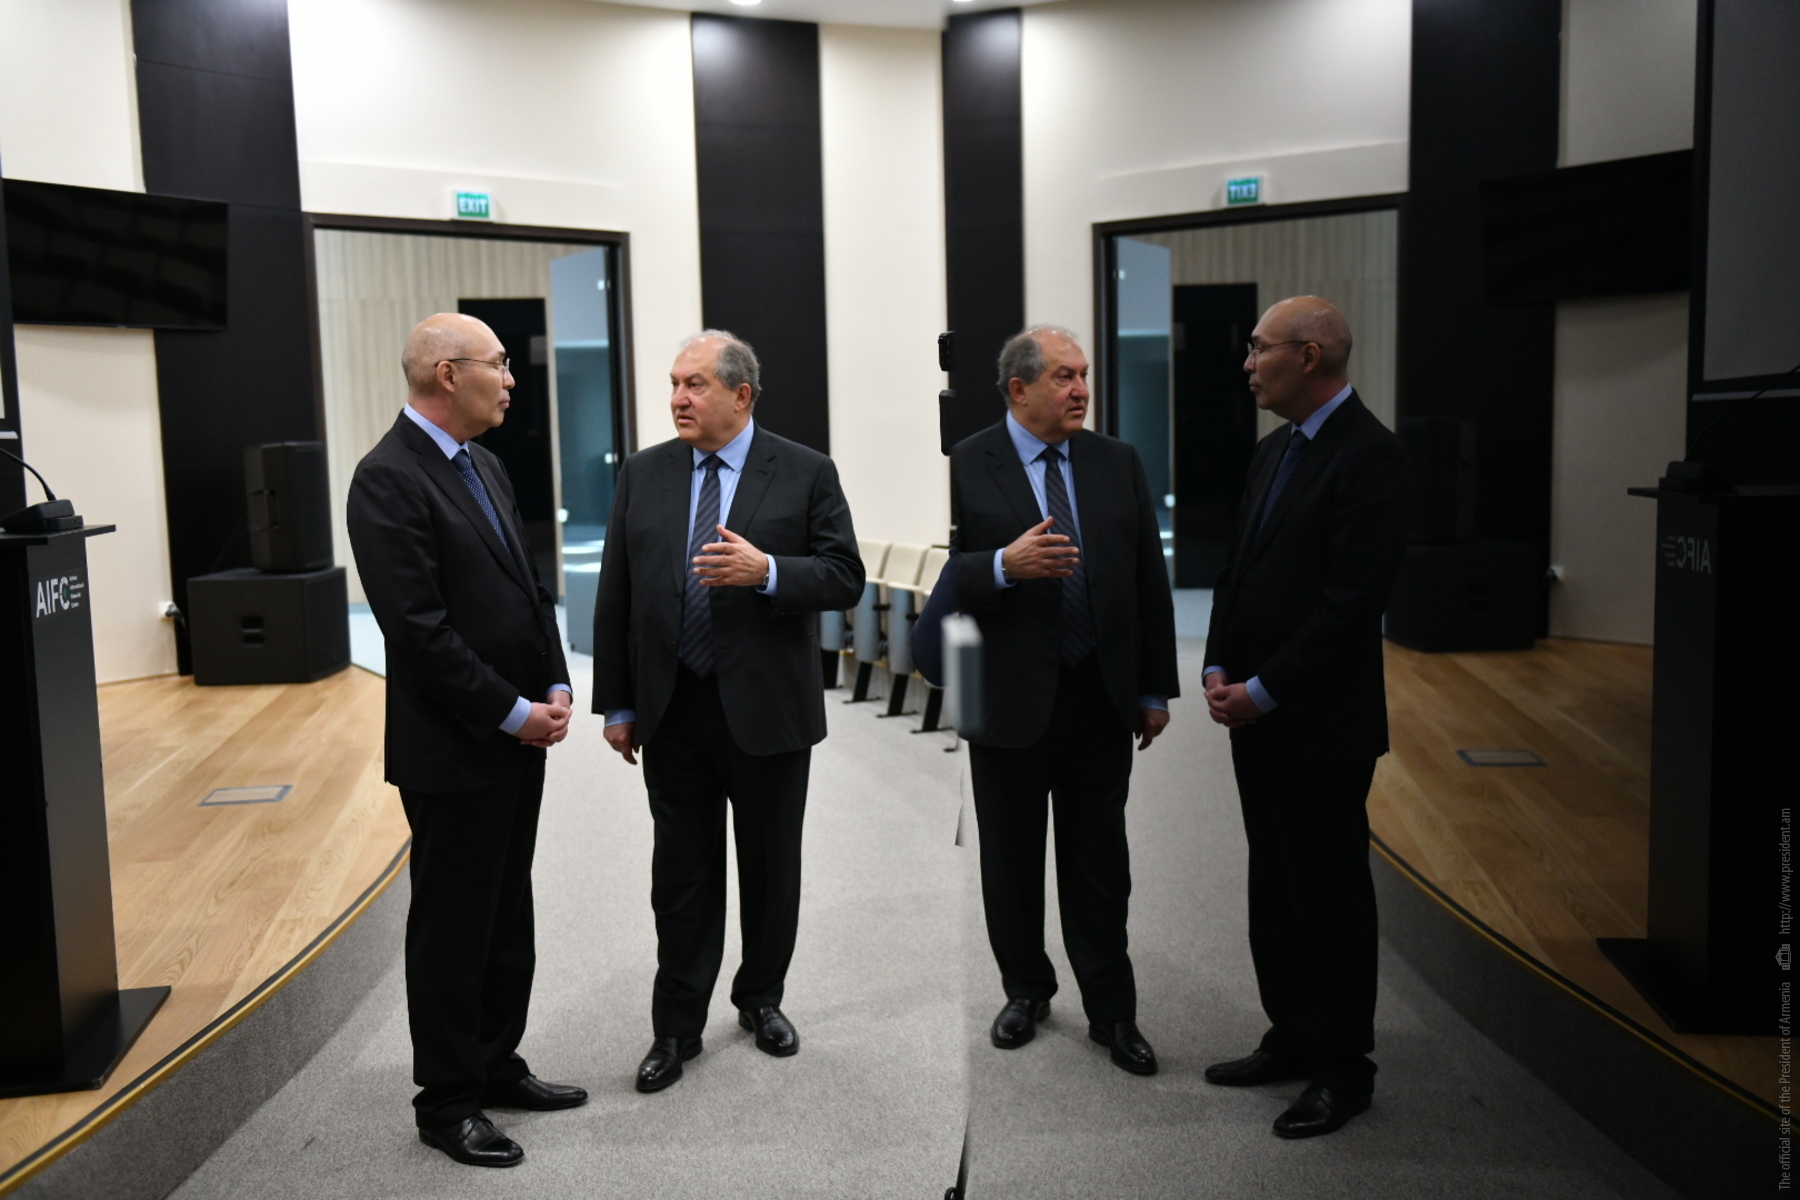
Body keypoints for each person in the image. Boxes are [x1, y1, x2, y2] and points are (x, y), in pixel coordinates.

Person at [592, 330, 863, 1093]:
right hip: (672, 707)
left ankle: (761, 999)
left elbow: (844, 575)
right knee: (680, 875)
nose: (678, 398)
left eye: (696, 385)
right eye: (674, 384)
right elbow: (618, 592)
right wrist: (618, 702)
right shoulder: (644, 473)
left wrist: (767, 570)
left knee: (771, 868)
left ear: (741, 396)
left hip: (767, 709)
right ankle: (676, 1027)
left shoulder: (805, 470)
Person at [347, 313, 585, 1169]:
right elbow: (419, 632)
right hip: (455, 746)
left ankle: (494, 1062)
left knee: (506, 910)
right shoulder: (387, 477)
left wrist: (555, 680)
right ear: (448, 374)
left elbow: (528, 588)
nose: (511, 379)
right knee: (453, 926)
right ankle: (447, 1102)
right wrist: (512, 712)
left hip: (516, 735)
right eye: (499, 364)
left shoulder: (484, 463)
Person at [1200, 296, 1408, 1139]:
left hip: (1319, 722)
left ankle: (1343, 1070)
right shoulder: (1274, 450)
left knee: (1328, 896)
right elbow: (1238, 572)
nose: (1248, 363)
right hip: (1256, 715)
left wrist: (1264, 690)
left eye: (1260, 349)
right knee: (1276, 885)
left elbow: (1350, 606)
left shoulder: (1371, 457)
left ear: (1310, 354)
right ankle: (1291, 1035)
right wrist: (1217, 664)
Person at [945, 325, 1179, 1075]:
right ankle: (1026, 990)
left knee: (1100, 862)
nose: (1081, 389)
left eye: (1083, 375)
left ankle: (1113, 1010)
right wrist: (1002, 565)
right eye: (1063, 377)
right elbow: (950, 581)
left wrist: (1152, 686)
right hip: (1007, 697)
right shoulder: (968, 460)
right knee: (1011, 860)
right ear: (1019, 390)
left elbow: (1146, 578)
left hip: (1099, 694)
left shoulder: (1117, 461)